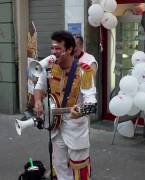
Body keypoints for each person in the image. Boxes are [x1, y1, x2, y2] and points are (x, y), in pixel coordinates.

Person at [33, 31, 97, 180]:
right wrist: (37, 101)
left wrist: (81, 111)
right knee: (59, 163)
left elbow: (92, 102)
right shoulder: (48, 67)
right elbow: (39, 88)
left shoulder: (84, 71)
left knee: (79, 166)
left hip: (75, 126)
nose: (53, 52)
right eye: (52, 48)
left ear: (69, 49)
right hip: (55, 126)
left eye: (58, 49)